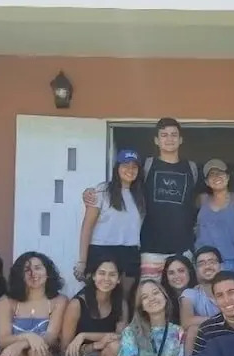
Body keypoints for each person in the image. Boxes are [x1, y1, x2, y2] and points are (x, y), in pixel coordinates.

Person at [83, 117, 203, 281]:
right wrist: (92, 192)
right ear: (156, 140)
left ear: (181, 139)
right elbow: (124, 185)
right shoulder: (146, 166)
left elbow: (200, 199)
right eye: (164, 135)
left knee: (182, 293)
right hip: (150, 249)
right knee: (149, 293)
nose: (169, 139)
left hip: (182, 249)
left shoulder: (192, 168)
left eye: (174, 135)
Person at [74, 150, 145, 295]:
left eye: (134, 167)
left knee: (125, 298)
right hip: (101, 250)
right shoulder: (102, 191)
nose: (130, 170)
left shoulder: (141, 195)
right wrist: (82, 261)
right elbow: (87, 227)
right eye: (125, 165)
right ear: (117, 168)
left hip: (130, 252)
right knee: (98, 296)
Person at [179, 246, 234, 330]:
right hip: (211, 335)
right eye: (201, 264)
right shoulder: (191, 293)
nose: (207, 267)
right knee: (193, 329)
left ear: (221, 266)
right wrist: (223, 319)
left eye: (212, 262)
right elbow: (186, 322)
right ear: (196, 269)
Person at [195, 158, 234, 274]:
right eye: (212, 174)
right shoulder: (202, 199)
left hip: (229, 262)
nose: (216, 177)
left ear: (228, 177)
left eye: (220, 173)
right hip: (202, 261)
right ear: (206, 182)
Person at [160, 254, 197, 321]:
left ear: (189, 272)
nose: (177, 276)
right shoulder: (162, 300)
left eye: (181, 271)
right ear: (166, 277)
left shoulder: (201, 294)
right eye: (171, 273)